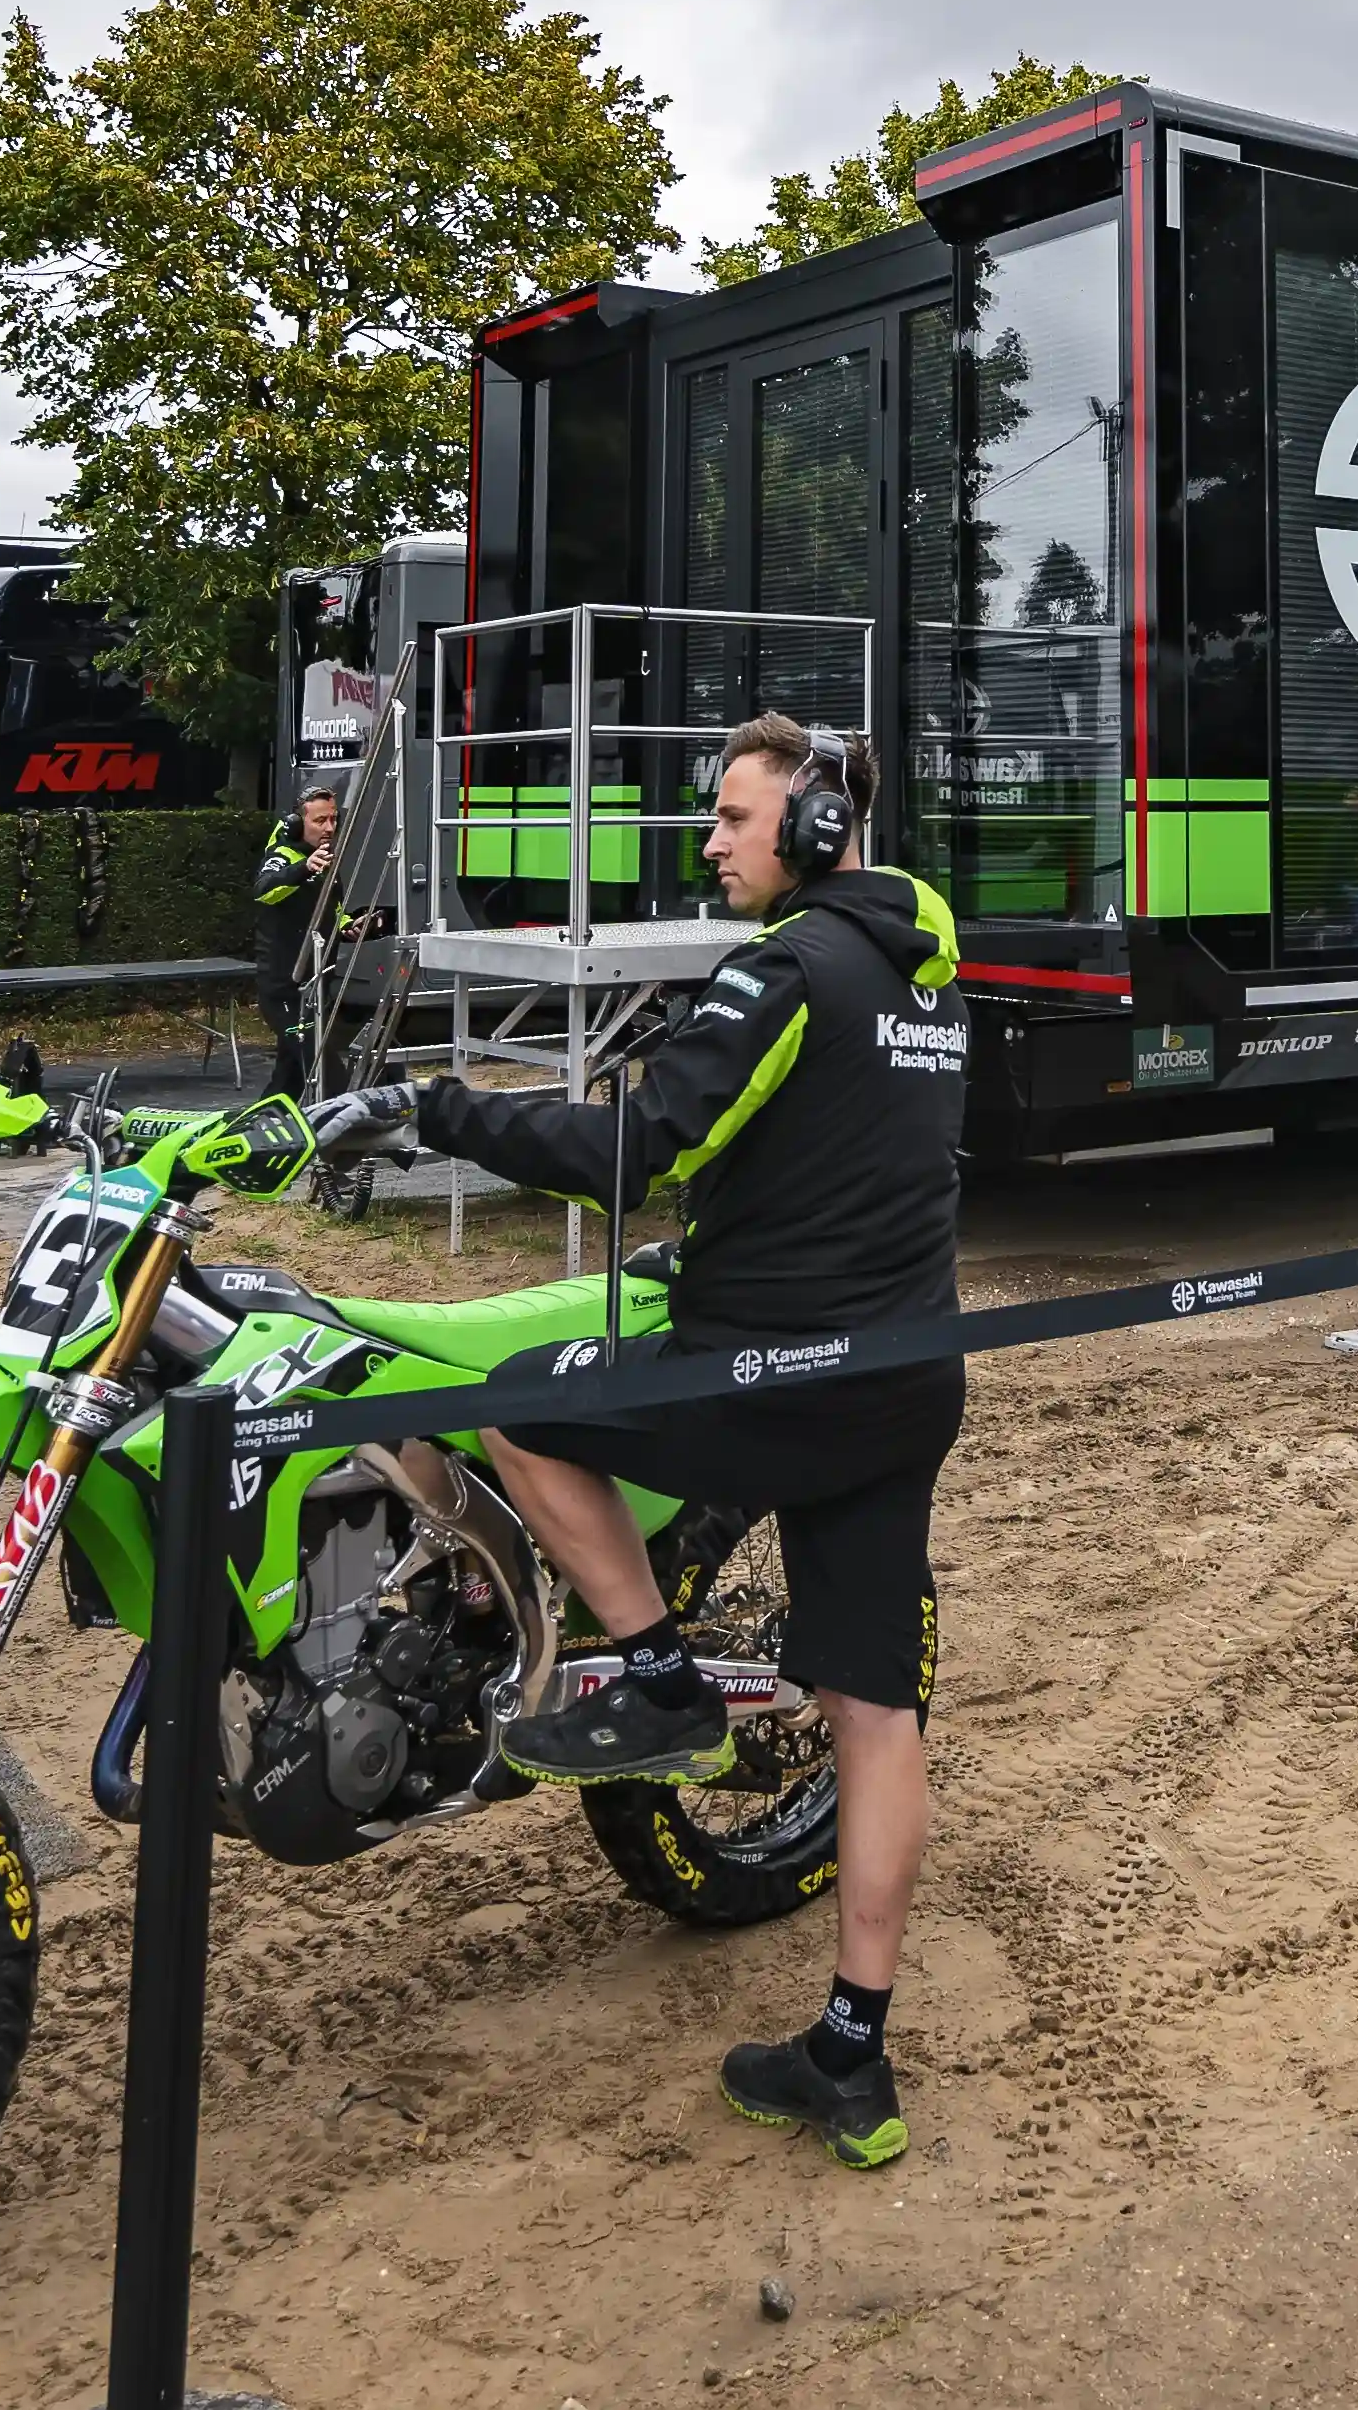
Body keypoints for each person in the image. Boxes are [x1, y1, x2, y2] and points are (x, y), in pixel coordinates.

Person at [320, 716, 972, 2169]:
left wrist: (435, 1107)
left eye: (736, 818)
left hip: (781, 1373)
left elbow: (635, 1150)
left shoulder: (787, 967)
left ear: (808, 831)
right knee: (876, 1715)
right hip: (905, 1371)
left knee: (523, 1402)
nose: (714, 841)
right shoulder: (928, 973)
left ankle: (663, 1680)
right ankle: (854, 2059)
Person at [247, 782, 344, 1097]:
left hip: (317, 982)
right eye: (320, 821)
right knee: (322, 1065)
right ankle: (346, 1126)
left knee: (289, 1079)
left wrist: (355, 925)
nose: (329, 827)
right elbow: (264, 890)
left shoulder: (328, 859)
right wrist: (303, 868)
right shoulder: (282, 855)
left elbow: (334, 910)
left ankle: (259, 1127)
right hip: (285, 988)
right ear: (296, 823)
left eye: (333, 819)